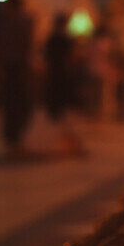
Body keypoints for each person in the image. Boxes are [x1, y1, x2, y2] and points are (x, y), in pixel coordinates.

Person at [0, 0, 34, 158]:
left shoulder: (17, 21)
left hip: (15, 66)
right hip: (14, 66)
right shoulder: (20, 21)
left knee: (15, 104)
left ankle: (13, 138)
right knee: (15, 104)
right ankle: (13, 139)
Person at [44, 13, 84, 154]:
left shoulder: (51, 39)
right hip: (63, 76)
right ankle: (68, 140)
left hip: (53, 75)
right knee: (66, 109)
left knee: (57, 108)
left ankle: (62, 140)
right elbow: (73, 58)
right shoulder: (65, 40)